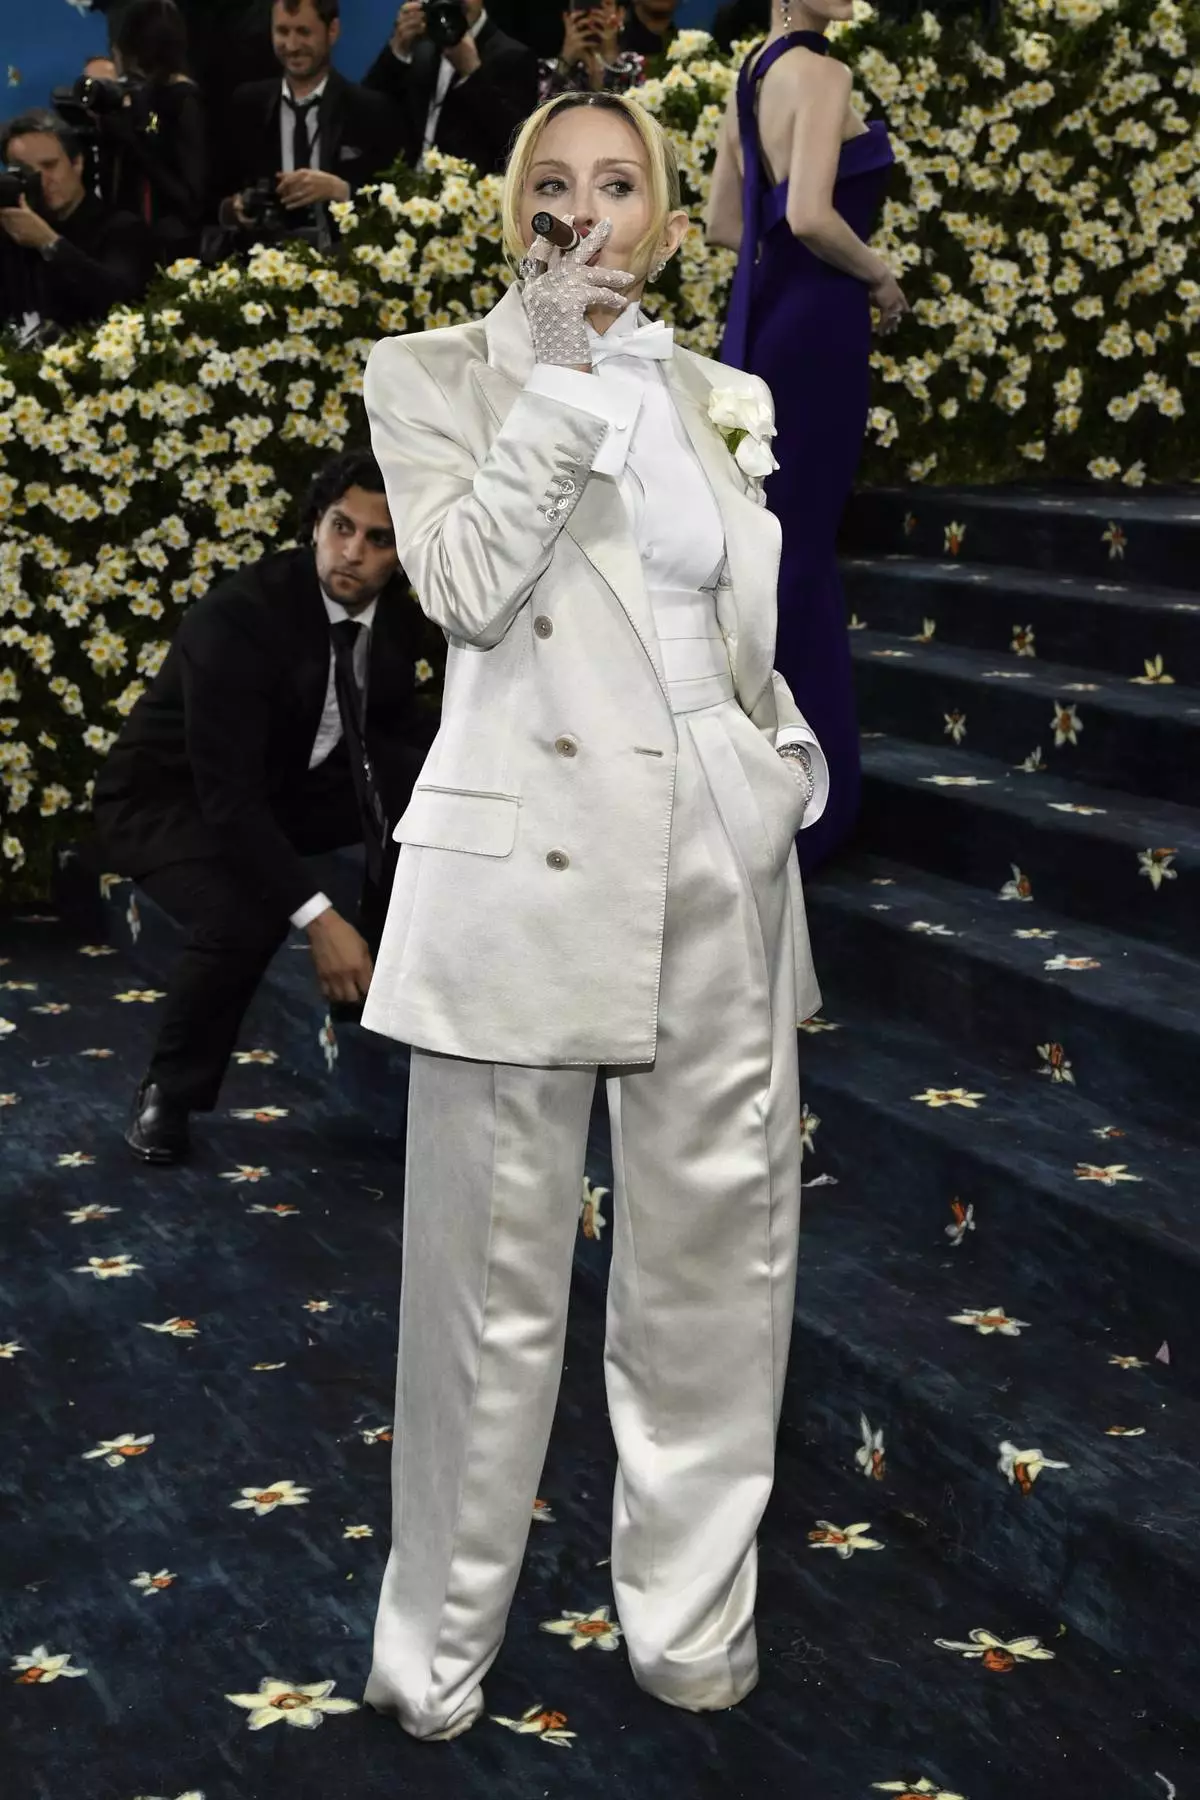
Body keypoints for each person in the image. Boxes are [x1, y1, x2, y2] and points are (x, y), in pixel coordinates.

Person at [358, 88, 829, 1742]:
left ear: (665, 217)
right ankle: (437, 1655)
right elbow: (471, 590)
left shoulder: (718, 392)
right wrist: (554, 382)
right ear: (514, 214)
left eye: (618, 184)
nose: (585, 211)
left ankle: (690, 1625)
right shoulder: (430, 374)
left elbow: (741, 620)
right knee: (488, 1287)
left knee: (718, 1260)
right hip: (530, 865)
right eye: (551, 185)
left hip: (719, 850)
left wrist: (779, 763)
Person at [91, 451, 432, 1166]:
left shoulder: (403, 622)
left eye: (380, 539)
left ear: (403, 554)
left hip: (287, 790)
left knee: (428, 808)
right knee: (242, 913)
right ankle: (168, 1094)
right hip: (170, 801)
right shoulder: (240, 617)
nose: (354, 553)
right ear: (315, 524)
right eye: (343, 527)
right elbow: (228, 800)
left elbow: (394, 738)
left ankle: (424, 1021)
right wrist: (321, 919)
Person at [706, 0, 905, 872]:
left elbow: (724, 225)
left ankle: (751, 784)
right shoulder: (823, 72)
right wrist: (883, 275)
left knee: (765, 554)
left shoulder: (751, 74)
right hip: (821, 329)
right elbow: (813, 216)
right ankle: (812, 807)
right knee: (800, 558)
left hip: (764, 326)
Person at [215, 0, 405, 245]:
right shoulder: (246, 106)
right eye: (282, 31)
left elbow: (396, 202)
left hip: (346, 270)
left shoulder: (371, 110)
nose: (292, 46)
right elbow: (213, 197)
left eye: (304, 32)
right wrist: (234, 208)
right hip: (263, 268)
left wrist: (341, 191)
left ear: (332, 30)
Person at [0, 110, 152, 333]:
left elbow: (121, 304)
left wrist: (50, 244)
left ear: (77, 163)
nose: (42, 180)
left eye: (50, 166)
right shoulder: (11, 234)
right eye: (26, 171)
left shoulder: (122, 228)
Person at [363, 1, 537, 177]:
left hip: (468, 192)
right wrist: (398, 51)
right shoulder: (421, 47)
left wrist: (472, 74)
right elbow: (364, 115)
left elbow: (516, 146)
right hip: (405, 188)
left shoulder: (513, 56)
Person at [103, 0, 207, 263]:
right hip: (134, 244)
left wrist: (135, 143)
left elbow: (191, 201)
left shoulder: (183, 101)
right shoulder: (142, 98)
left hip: (177, 253)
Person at [537, 3, 645, 105]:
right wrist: (566, 62)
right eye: (584, 5)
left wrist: (609, 59)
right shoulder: (544, 69)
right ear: (567, 16)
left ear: (620, 13)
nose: (593, 13)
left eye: (603, 5)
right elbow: (540, 117)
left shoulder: (637, 66)